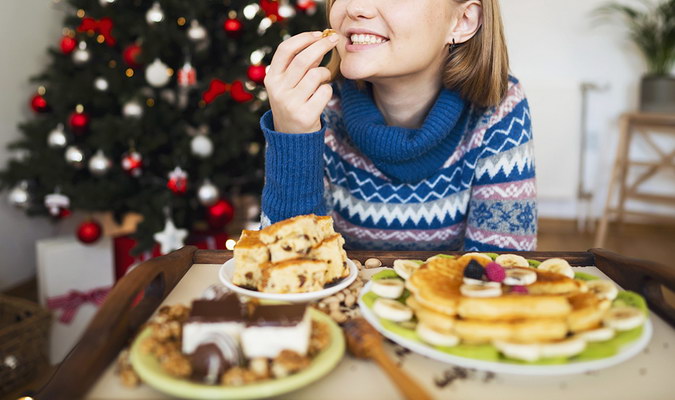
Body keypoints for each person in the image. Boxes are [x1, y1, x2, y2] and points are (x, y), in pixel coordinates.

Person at [259, 0, 536, 251]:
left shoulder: (500, 107)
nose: (356, 7)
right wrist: (293, 140)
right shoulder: (314, 109)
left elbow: (502, 280)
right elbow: (287, 274)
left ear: (462, 21)